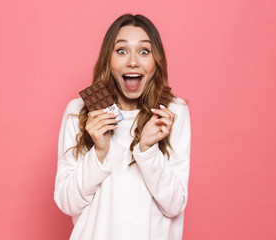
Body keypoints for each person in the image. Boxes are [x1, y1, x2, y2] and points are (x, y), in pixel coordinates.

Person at [54, 14, 191, 240]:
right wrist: (98, 152)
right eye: (121, 51)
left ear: (156, 60)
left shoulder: (172, 112)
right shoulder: (78, 111)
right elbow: (67, 203)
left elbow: (174, 205)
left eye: (144, 51)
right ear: (108, 59)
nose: (133, 62)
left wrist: (147, 149)